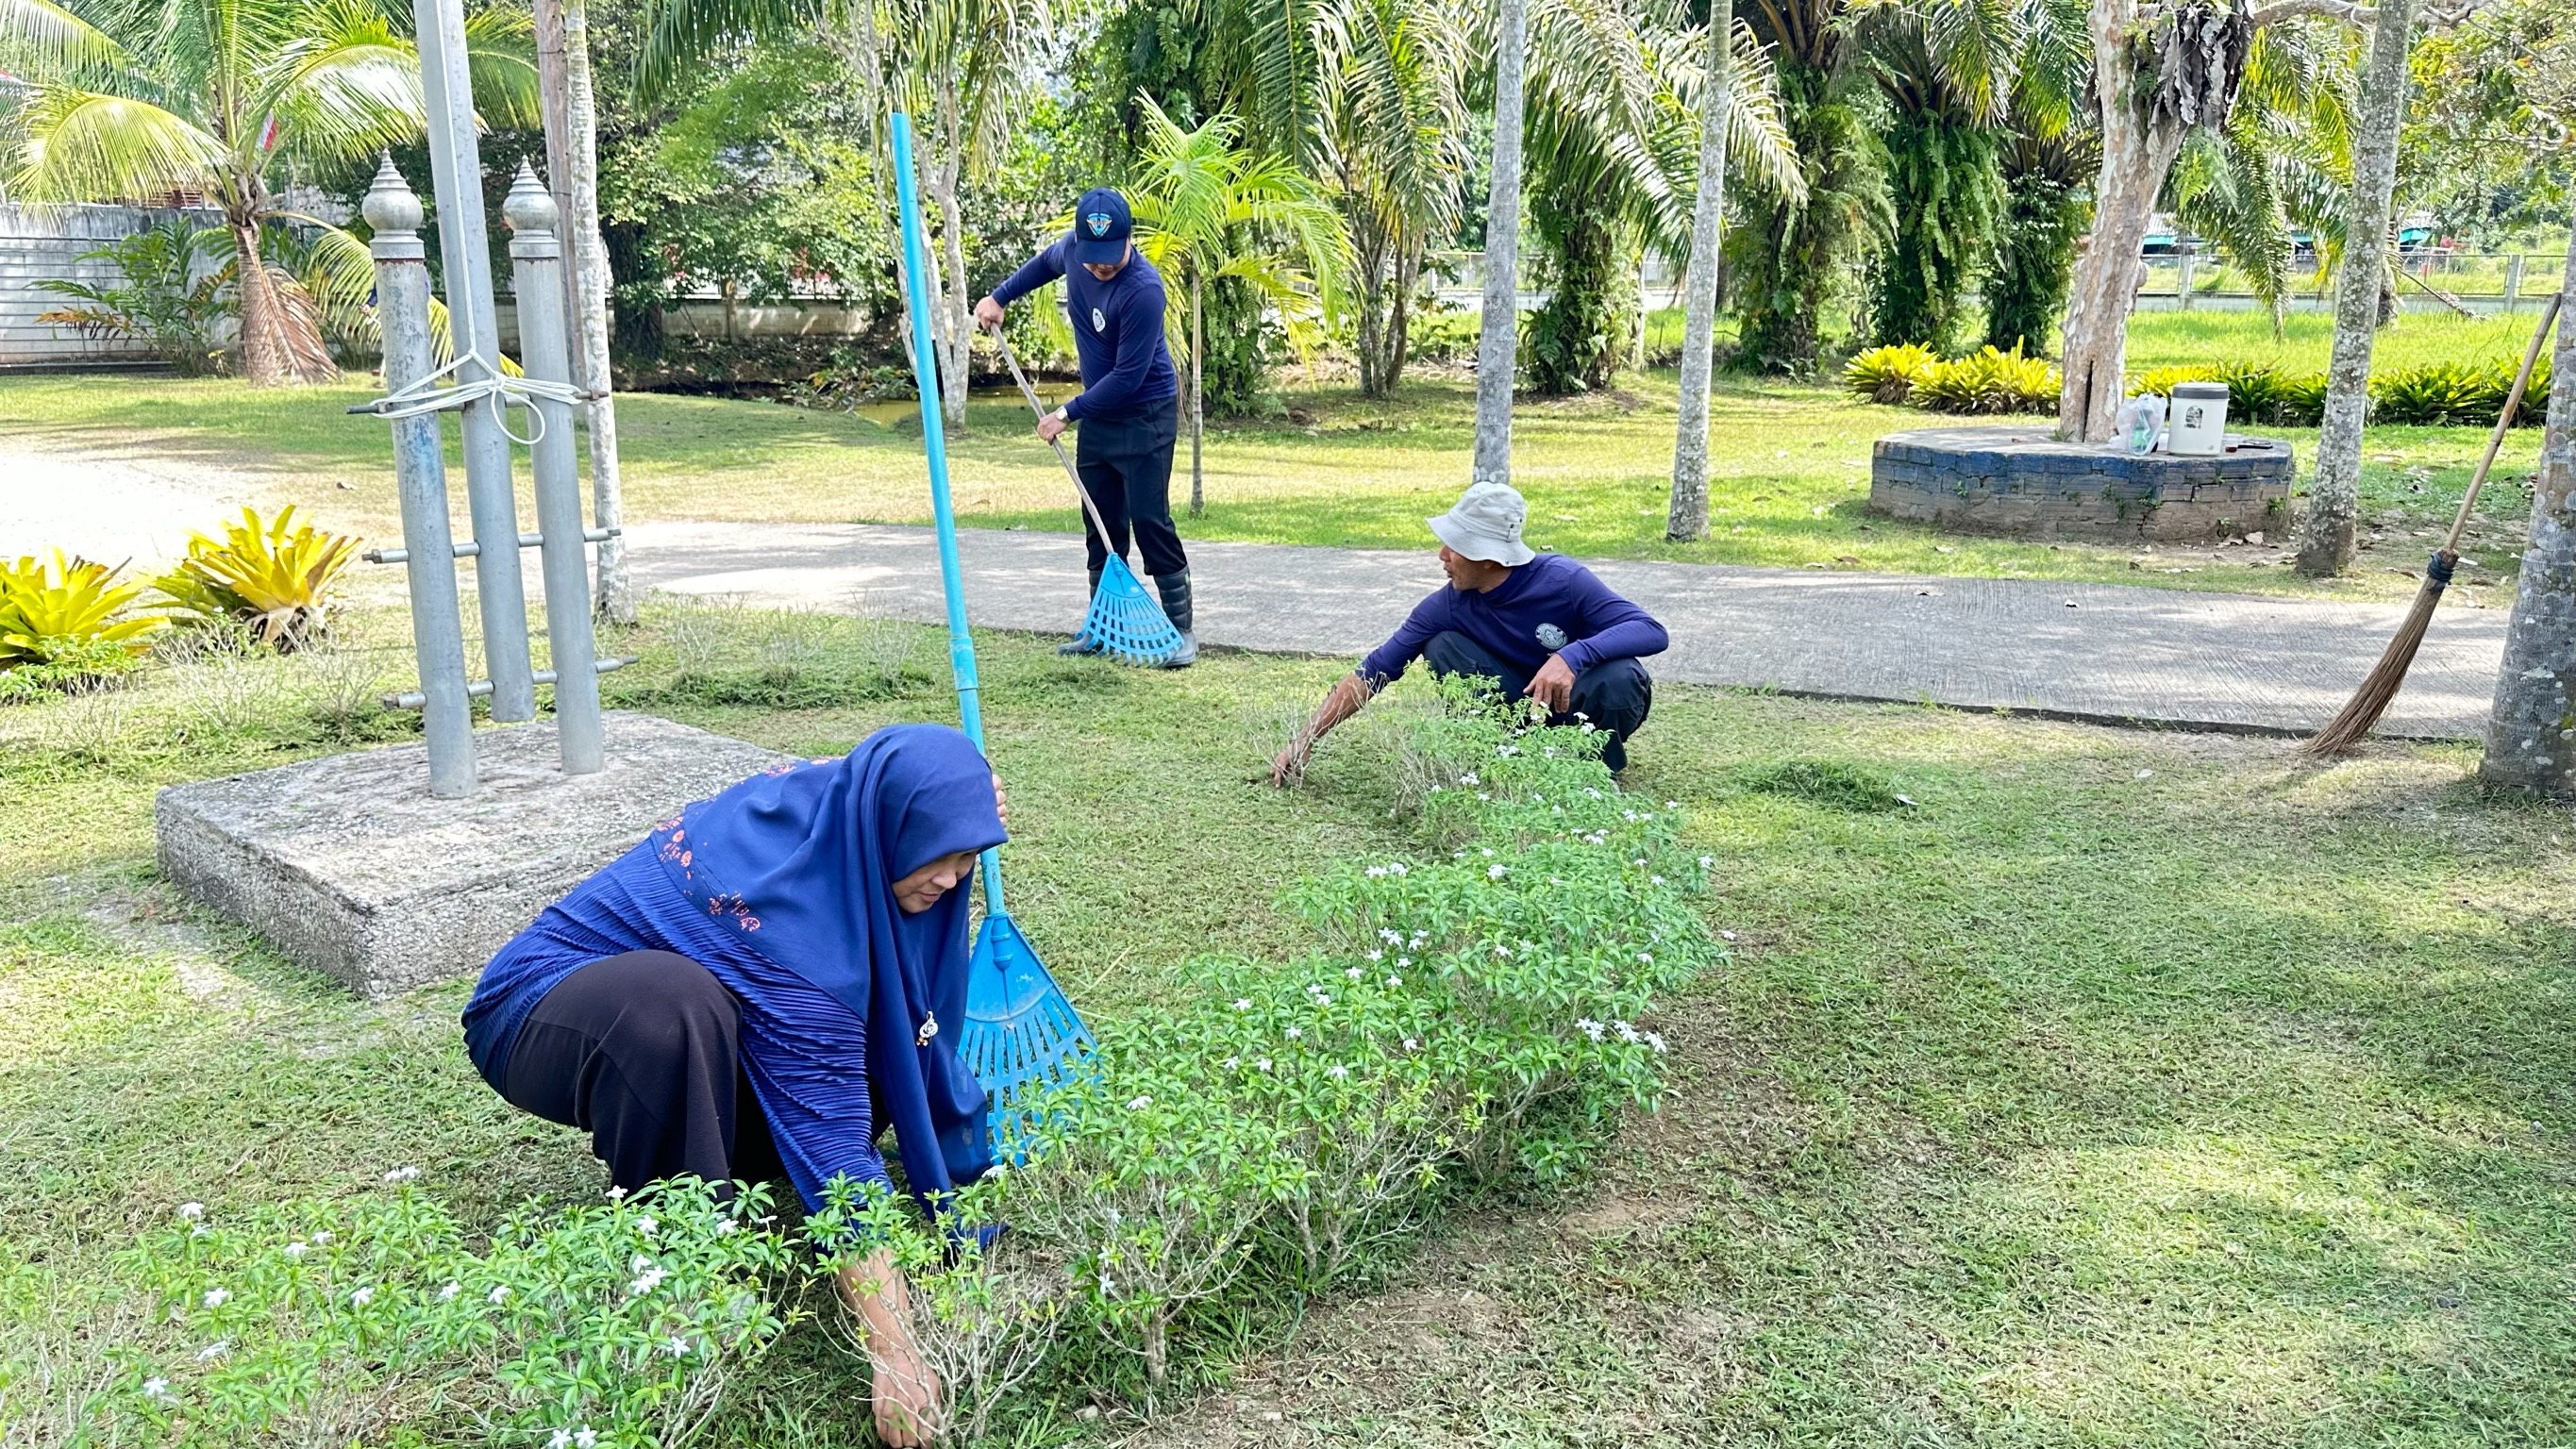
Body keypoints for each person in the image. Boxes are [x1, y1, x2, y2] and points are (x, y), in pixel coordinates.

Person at [460, 724, 1009, 1447]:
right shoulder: (799, 947)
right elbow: (832, 1148)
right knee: (672, 1004)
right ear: (889, 832)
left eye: (969, 858)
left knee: (872, 1047)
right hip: (540, 1010)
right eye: (939, 857)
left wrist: (957, 804)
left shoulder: (848, 808)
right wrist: (896, 1349)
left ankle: (720, 1151)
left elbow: (886, 778)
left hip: (705, 1023)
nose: (951, 879)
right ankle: (679, 1258)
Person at [1271, 481, 1669, 783]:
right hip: (1516, 712)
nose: (1442, 556)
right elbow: (1373, 672)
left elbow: (1651, 631)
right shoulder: (1445, 606)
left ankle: (1593, 773)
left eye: (1455, 546)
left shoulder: (1564, 580)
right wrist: (1305, 738)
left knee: (1621, 675)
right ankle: (1503, 759)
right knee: (1442, 644)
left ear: (1491, 558)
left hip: (1575, 709)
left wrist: (1570, 656)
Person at [975, 187, 1196, 667]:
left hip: (1144, 414)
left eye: (1110, 261)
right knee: (1100, 520)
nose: (1100, 268)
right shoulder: (1075, 251)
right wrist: (999, 296)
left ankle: (1182, 633)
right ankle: (1101, 627)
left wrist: (1066, 413)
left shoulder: (1143, 290)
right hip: (1099, 416)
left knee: (1150, 521)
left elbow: (1127, 378)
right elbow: (1043, 264)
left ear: (1128, 241)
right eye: (1094, 260)